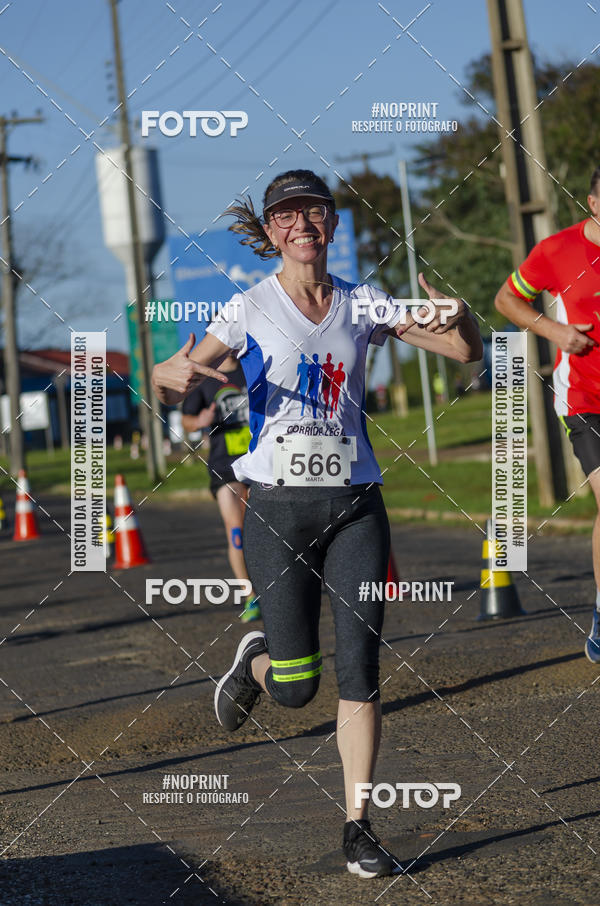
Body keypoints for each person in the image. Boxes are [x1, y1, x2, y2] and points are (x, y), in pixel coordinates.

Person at [152, 169, 482, 878]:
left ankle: (358, 826)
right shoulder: (245, 309)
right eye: (288, 217)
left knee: (360, 673)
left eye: (315, 214)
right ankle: (255, 659)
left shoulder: (364, 301)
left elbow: (464, 354)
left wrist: (465, 320)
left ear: (331, 224)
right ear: (271, 232)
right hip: (277, 510)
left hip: (357, 507)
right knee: (297, 687)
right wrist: (165, 374)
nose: (303, 225)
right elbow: (171, 374)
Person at [495, 165, 600, 664]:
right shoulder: (557, 251)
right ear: (593, 203)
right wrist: (557, 334)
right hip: (585, 398)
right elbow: (507, 300)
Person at [181, 353, 261, 623]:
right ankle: (250, 595)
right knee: (235, 530)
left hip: (259, 461)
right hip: (224, 466)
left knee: (265, 528)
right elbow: (186, 421)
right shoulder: (203, 379)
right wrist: (200, 420)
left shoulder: (252, 369)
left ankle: (278, 586)